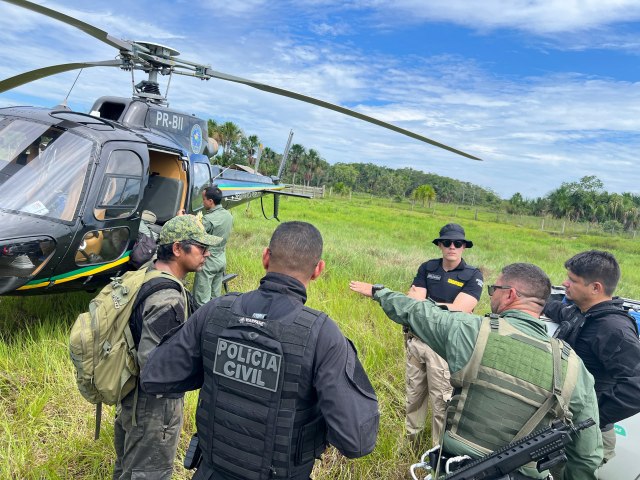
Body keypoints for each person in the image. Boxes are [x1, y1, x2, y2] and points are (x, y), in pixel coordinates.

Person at [141, 221, 380, 480]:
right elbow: (357, 441)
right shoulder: (323, 335)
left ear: (265, 257)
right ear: (318, 270)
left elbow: (155, 376)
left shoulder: (216, 312)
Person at [350, 263, 602, 480]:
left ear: (510, 294)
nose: (490, 295)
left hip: (456, 468)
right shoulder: (574, 366)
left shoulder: (471, 330)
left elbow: (417, 311)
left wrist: (380, 292)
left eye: (494, 289)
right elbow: (587, 455)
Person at [113, 215, 222, 480]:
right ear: (177, 249)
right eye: (200, 247)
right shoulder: (168, 299)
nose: (207, 253)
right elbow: (156, 369)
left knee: (127, 468)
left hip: (131, 396)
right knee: (148, 473)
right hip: (152, 409)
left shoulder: (147, 274)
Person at [543, 250, 640, 464]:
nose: (565, 283)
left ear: (596, 288)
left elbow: (636, 386)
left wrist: (590, 418)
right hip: (562, 426)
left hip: (586, 436)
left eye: (572, 280)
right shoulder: (581, 312)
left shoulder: (613, 329)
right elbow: (556, 309)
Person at [405, 223, 483, 447]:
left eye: (457, 243)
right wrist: (440, 307)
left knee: (441, 401)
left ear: (464, 247)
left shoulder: (472, 275)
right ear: (440, 245)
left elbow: (460, 310)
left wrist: (426, 306)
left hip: (444, 346)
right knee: (414, 395)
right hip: (418, 340)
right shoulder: (428, 268)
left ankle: (438, 452)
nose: (452, 247)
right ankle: (411, 441)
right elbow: (413, 301)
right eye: (447, 242)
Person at [193, 185, 233, 305]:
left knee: (201, 300)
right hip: (221, 259)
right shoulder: (228, 215)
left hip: (209, 261)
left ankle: (200, 322)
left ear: (210, 201)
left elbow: (194, 234)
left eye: (203, 199)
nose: (202, 202)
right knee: (215, 298)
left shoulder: (208, 219)